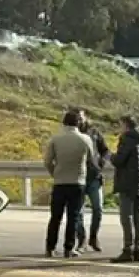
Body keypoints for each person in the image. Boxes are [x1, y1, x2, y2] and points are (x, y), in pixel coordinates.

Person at [43, 109, 99, 258]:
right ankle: (69, 248)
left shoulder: (55, 139)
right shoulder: (85, 139)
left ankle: (50, 247)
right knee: (73, 217)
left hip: (60, 182)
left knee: (55, 217)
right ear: (78, 123)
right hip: (78, 182)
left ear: (63, 122)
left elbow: (47, 161)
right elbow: (91, 160)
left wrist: (54, 173)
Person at [108, 115, 139, 263]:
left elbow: (119, 160)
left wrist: (110, 156)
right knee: (137, 215)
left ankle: (128, 249)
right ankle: (137, 249)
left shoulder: (128, 138)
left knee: (126, 217)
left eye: (120, 125)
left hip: (129, 182)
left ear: (126, 125)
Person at [74, 108, 110, 252]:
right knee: (78, 211)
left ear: (86, 117)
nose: (79, 120)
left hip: (95, 176)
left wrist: (101, 163)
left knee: (98, 208)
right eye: (77, 118)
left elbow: (106, 151)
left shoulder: (95, 133)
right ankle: (81, 239)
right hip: (79, 177)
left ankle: (94, 237)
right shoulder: (72, 133)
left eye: (81, 117)